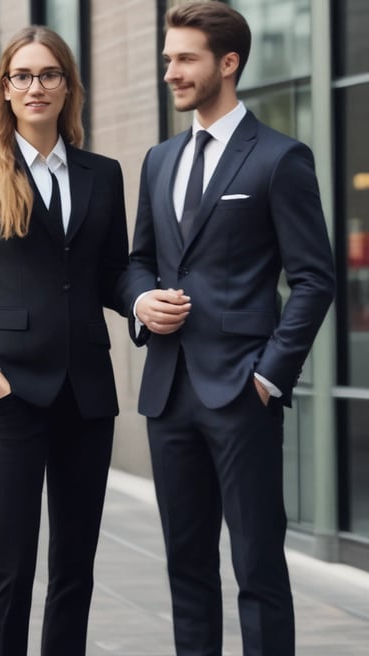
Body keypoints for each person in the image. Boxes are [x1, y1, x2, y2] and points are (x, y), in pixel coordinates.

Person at [118, 2, 335, 654]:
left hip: (243, 394)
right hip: (168, 394)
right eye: (167, 60)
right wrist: (140, 302)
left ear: (228, 63)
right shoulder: (159, 160)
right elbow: (138, 262)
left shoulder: (279, 157)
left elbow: (315, 280)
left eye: (185, 59)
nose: (171, 73)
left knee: (258, 571)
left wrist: (269, 378)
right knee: (186, 571)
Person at [0, 25, 129, 655]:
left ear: (68, 86)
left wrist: (141, 301)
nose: (35, 86)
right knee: (12, 567)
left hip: (88, 391)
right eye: (22, 75)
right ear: (6, 89)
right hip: (10, 389)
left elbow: (111, 275)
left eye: (48, 74)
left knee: (75, 569)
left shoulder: (104, 174)